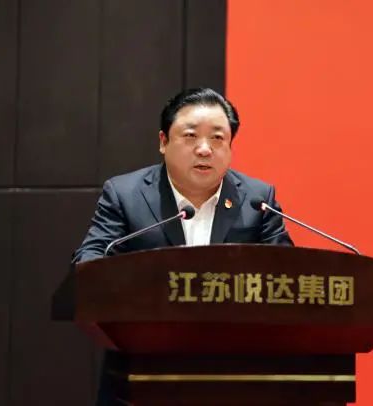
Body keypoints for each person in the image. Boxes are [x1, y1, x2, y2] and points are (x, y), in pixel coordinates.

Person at [72, 88, 293, 405]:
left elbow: (288, 277)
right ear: (163, 141)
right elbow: (90, 264)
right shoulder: (125, 195)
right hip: (143, 377)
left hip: (237, 379)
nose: (204, 149)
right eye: (190, 136)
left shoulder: (258, 200)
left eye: (217, 138)